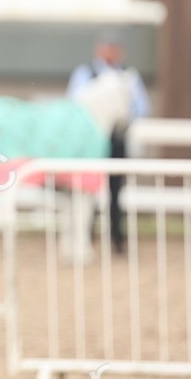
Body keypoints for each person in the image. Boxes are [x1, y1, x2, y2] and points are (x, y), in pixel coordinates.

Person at [66, 30, 151, 255]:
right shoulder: (85, 74)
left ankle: (117, 239)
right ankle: (85, 237)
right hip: (90, 140)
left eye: (115, 48)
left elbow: (141, 108)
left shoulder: (128, 77)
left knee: (116, 191)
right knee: (86, 187)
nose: (111, 52)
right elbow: (74, 104)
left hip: (116, 137)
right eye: (107, 47)